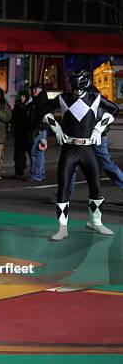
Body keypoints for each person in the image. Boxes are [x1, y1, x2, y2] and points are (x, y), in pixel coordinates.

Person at [42, 70, 118, 241]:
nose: (77, 91)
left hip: (87, 148)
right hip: (69, 149)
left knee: (96, 186)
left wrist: (100, 127)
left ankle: (95, 222)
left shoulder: (94, 97)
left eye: (80, 87)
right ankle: (62, 227)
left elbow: (114, 110)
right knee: (64, 187)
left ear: (86, 84)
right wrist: (57, 126)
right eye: (74, 87)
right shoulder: (63, 98)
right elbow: (41, 110)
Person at [27, 83, 49, 181]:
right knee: (39, 153)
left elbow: (41, 116)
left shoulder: (41, 101)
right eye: (33, 89)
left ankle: (37, 175)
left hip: (39, 130)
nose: (34, 91)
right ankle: (40, 174)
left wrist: (38, 128)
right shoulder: (39, 99)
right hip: (40, 129)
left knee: (36, 152)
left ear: (40, 89)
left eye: (36, 89)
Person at [12, 90, 33, 179]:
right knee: (19, 154)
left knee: (32, 153)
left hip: (28, 134)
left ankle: (36, 172)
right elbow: (14, 118)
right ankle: (19, 171)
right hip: (19, 134)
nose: (22, 98)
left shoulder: (31, 106)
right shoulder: (17, 106)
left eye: (24, 96)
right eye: (21, 96)